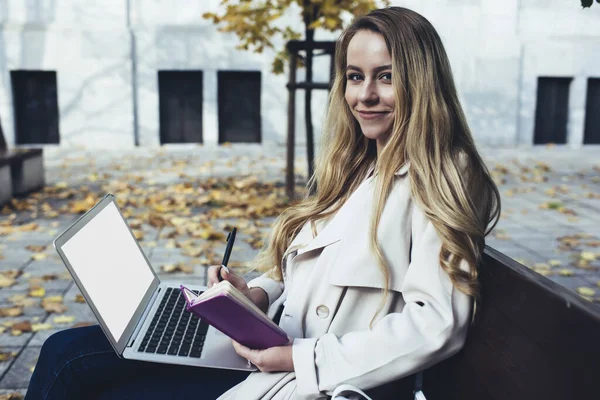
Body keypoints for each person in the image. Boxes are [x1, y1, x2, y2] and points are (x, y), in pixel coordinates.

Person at [25, 6, 500, 400]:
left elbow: (438, 324)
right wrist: (251, 296)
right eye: (354, 77)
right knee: (65, 349)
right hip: (263, 346)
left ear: (421, 82)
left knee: (86, 380)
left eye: (386, 78)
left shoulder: (444, 174)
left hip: (306, 379)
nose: (364, 95)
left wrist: (299, 356)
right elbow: (312, 267)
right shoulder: (358, 164)